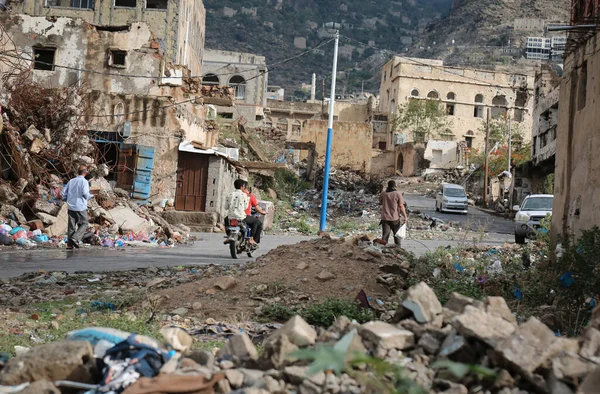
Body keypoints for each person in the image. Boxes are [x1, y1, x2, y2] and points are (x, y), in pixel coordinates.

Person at [62, 165, 94, 250]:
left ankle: (70, 244)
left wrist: (66, 200)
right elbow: (85, 193)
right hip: (81, 207)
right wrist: (91, 196)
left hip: (71, 206)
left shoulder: (71, 181)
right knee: (84, 223)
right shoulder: (84, 182)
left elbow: (64, 193)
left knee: (71, 226)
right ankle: (75, 238)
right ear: (85, 172)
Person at [379, 180, 408, 246]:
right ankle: (398, 251)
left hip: (385, 218)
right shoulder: (398, 194)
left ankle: (383, 251)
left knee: (385, 236)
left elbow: (380, 202)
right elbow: (401, 206)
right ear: (395, 186)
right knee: (397, 236)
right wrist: (405, 216)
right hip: (395, 218)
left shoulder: (383, 193)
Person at [224, 179, 250, 244]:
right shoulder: (244, 195)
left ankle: (228, 236)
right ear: (242, 186)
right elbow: (246, 207)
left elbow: (226, 207)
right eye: (244, 186)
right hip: (241, 216)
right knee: (248, 224)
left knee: (226, 221)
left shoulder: (229, 194)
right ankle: (249, 238)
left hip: (231, 216)